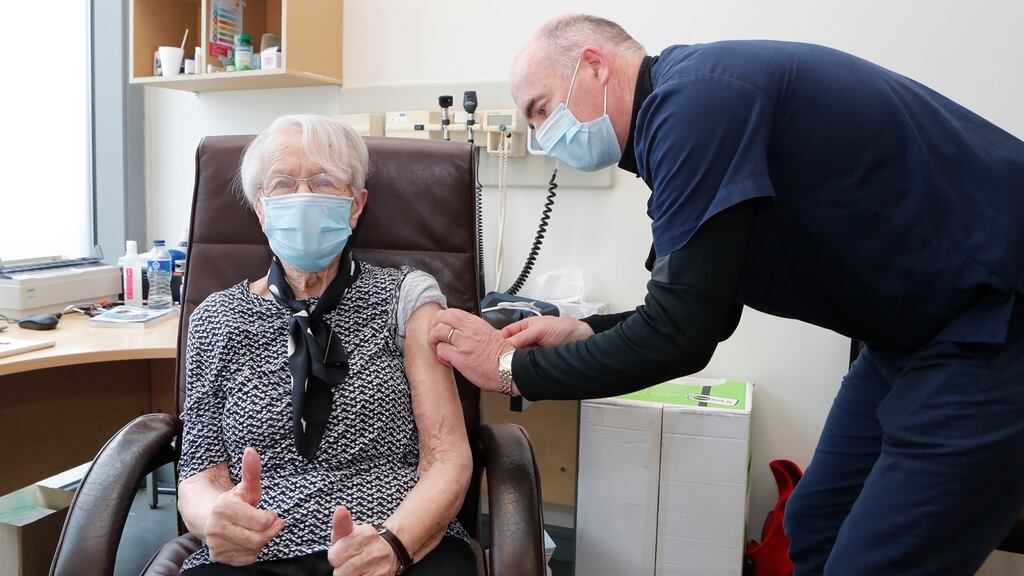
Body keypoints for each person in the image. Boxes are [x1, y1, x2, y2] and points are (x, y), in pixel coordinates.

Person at [430, 13, 1024, 575]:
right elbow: (706, 309)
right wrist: (583, 330)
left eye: (540, 110)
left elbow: (678, 339)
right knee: (817, 525)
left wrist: (508, 368)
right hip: (913, 336)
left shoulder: (696, 106)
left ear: (594, 66)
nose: (538, 138)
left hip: (993, 319)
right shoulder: (683, 120)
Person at [177, 115, 477, 576]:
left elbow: (447, 456)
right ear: (260, 209)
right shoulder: (216, 319)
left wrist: (395, 544)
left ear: (356, 206)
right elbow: (200, 474)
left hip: (393, 535)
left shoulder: (409, 298)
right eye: (281, 184)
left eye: (323, 182)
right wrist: (216, 519)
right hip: (259, 549)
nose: (303, 198)